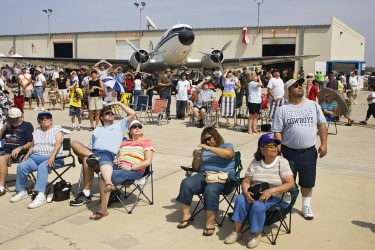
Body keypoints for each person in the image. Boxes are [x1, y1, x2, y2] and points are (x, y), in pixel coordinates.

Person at [224, 133, 294, 248]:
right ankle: (237, 232)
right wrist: (246, 192)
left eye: (275, 145)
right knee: (240, 199)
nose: (274, 147)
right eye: (270, 145)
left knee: (258, 206)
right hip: (257, 192)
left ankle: (256, 234)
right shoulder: (255, 162)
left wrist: (271, 191)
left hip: (278, 196)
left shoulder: (282, 162)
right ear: (262, 149)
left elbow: (290, 184)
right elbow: (246, 181)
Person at [272, 78, 327, 220]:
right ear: (288, 91)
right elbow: (277, 131)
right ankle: (286, 205)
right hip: (288, 151)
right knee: (287, 181)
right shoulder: (283, 109)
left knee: (308, 181)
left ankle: (306, 206)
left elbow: (322, 125)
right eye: (295, 86)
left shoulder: (313, 105)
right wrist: (279, 149)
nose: (299, 87)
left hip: (308, 151)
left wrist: (324, 144)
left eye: (300, 85)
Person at [70, 102, 136, 206]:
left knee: (86, 159)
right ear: (101, 117)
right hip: (94, 153)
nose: (110, 114)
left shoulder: (119, 126)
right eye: (107, 113)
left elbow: (132, 113)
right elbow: (90, 147)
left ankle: (86, 193)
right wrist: (88, 153)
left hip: (109, 157)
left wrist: (118, 103)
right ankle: (93, 157)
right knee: (74, 144)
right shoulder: (97, 130)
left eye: (112, 113)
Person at [89, 120, 155, 220]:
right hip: (120, 167)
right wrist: (116, 158)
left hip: (135, 171)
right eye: (134, 126)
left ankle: (103, 209)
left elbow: (148, 161)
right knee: (103, 166)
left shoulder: (146, 142)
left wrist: (131, 167)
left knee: (105, 176)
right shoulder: (124, 142)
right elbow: (117, 154)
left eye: (139, 126)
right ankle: (110, 187)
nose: (137, 128)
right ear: (129, 130)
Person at [176, 127, 235, 236]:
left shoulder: (227, 146)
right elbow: (195, 168)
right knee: (186, 183)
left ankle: (209, 222)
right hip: (204, 175)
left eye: (208, 138)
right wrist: (196, 158)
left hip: (223, 178)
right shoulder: (204, 150)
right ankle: (186, 216)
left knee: (211, 189)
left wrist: (208, 148)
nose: (207, 142)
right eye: (204, 140)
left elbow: (228, 154)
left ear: (215, 135)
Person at [10, 112, 64, 208]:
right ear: (39, 122)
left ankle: (40, 195)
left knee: (43, 166)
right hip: (35, 157)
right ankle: (21, 191)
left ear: (51, 120)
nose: (44, 120)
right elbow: (33, 145)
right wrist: (27, 155)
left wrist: (52, 156)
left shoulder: (57, 129)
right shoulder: (37, 131)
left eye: (47, 118)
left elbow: (58, 143)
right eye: (41, 119)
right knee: (22, 166)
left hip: (54, 158)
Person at [0, 108, 34, 197]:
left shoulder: (27, 125)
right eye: (11, 118)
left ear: (20, 117)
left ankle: (1, 187)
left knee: (2, 158)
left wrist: (20, 147)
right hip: (4, 150)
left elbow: (30, 142)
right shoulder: (7, 126)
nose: (12, 120)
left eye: (14, 118)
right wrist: (3, 129)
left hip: (18, 152)